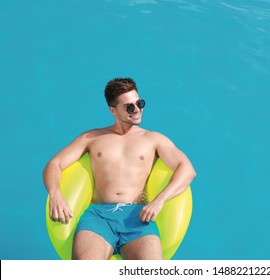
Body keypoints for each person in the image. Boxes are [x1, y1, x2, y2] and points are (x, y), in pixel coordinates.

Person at [43, 77, 196, 260]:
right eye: (130, 107)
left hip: (137, 217)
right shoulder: (92, 138)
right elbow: (54, 164)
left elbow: (187, 169)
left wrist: (159, 201)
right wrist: (55, 194)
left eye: (139, 103)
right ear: (113, 110)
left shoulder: (153, 139)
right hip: (98, 217)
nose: (137, 110)